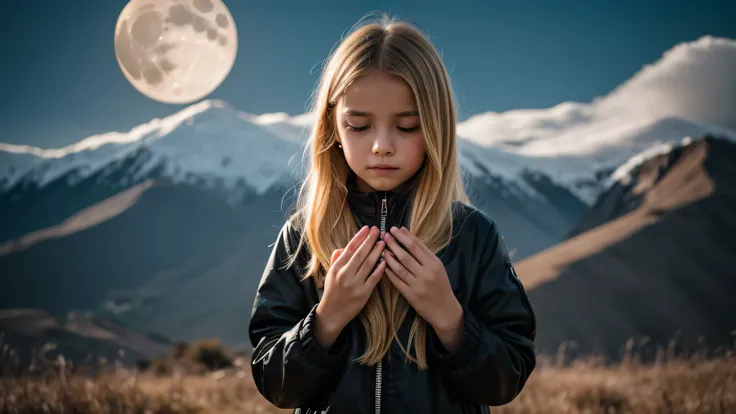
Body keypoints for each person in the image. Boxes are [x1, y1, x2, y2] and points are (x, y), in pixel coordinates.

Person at [248, 13, 537, 414]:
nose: (382, 145)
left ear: (436, 128)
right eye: (359, 126)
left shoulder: (472, 235)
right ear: (332, 127)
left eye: (407, 126)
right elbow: (275, 385)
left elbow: (507, 379)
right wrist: (327, 319)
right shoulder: (304, 236)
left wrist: (450, 317)